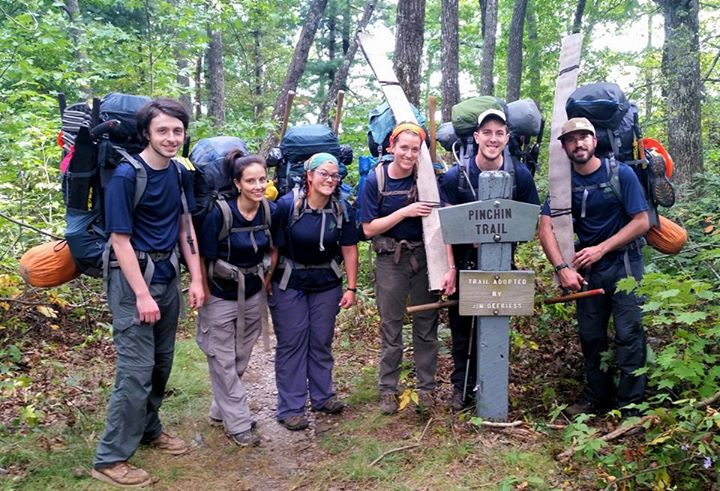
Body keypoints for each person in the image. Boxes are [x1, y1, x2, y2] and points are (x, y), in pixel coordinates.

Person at [92, 98, 205, 487]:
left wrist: (197, 278)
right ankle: (110, 458)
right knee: (136, 370)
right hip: (132, 281)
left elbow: (185, 226)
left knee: (161, 363)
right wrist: (142, 295)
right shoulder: (127, 175)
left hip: (167, 274)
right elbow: (120, 241)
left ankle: (149, 428)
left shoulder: (177, 173)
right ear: (146, 133)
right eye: (163, 131)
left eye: (177, 130)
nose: (172, 138)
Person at [538, 117, 649, 417]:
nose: (579, 143)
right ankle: (597, 396)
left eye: (584, 137)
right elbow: (545, 227)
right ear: (564, 147)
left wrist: (601, 248)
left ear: (594, 141)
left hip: (625, 264)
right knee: (591, 336)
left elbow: (642, 221)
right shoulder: (563, 186)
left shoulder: (621, 174)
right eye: (571, 139)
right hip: (586, 272)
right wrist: (562, 267)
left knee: (629, 333)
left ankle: (632, 405)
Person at [439, 109, 540, 411]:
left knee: (496, 323)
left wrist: (496, 233)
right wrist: (451, 268)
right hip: (464, 264)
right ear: (476, 136)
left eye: (499, 133)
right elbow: (443, 227)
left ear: (507, 138)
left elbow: (530, 220)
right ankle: (462, 388)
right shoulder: (456, 176)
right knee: (461, 329)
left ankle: (492, 388)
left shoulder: (519, 174)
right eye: (487, 132)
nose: (493, 138)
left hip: (500, 265)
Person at [359, 122, 456, 415]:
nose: (409, 154)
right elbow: (367, 228)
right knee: (391, 325)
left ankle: (426, 390)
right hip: (390, 259)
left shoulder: (429, 179)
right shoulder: (374, 180)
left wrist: (449, 266)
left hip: (426, 259)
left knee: (426, 327)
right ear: (391, 147)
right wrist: (405, 211)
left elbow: (444, 224)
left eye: (416, 149)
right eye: (404, 147)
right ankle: (389, 389)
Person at [268, 152, 359, 431]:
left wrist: (352, 288)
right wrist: (264, 285)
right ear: (309, 176)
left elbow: (349, 248)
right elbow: (273, 248)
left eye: (334, 176)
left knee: (320, 340)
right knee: (292, 343)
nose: (330, 180)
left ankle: (322, 396)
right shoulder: (286, 206)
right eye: (324, 174)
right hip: (289, 282)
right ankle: (291, 408)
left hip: (326, 284)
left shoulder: (342, 208)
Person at [196, 152, 278, 447]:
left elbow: (274, 250)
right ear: (237, 183)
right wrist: (203, 291)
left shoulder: (269, 211)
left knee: (241, 357)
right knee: (222, 359)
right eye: (251, 181)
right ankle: (239, 423)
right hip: (219, 295)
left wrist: (265, 282)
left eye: (262, 180)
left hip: (253, 293)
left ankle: (221, 411)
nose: (258, 186)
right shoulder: (219, 213)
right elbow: (203, 257)